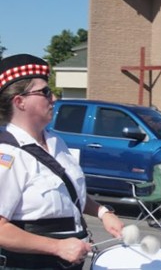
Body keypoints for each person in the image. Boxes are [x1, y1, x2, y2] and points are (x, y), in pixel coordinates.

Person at [0, 54, 124, 269]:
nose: (54, 98)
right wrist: (57, 247)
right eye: (45, 92)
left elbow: (69, 195)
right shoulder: (7, 154)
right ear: (20, 102)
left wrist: (103, 213)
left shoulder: (56, 142)